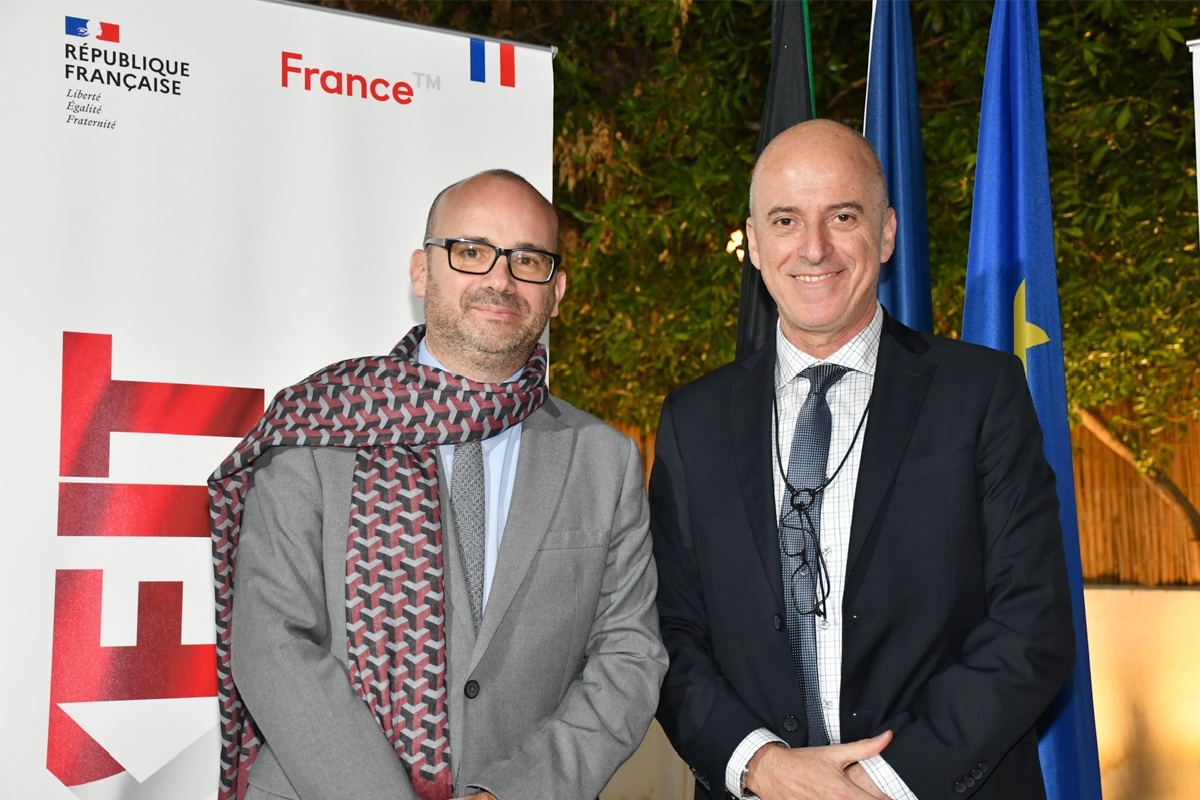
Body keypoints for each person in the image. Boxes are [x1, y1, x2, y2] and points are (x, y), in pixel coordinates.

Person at [649, 120, 1074, 800]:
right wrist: (765, 767)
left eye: (843, 216)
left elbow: (1032, 625)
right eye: (785, 220)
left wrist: (878, 785)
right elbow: (667, 633)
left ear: (886, 233)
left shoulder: (982, 393)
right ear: (754, 243)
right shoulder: (691, 421)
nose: (814, 247)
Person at [210, 169, 667, 800]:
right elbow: (271, 645)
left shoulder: (602, 460)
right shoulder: (320, 426)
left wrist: (512, 793)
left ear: (556, 291)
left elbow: (630, 657)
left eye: (527, 259)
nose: (500, 279)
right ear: (422, 271)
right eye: (471, 251)